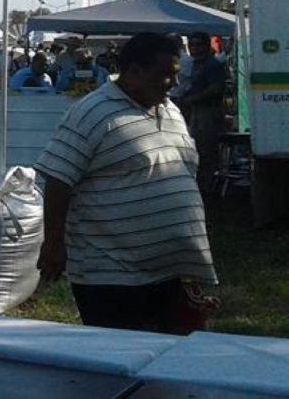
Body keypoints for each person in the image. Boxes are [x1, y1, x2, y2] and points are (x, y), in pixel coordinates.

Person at [35, 33, 218, 334]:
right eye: (164, 75)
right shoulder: (92, 113)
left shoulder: (170, 109)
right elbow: (58, 178)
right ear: (133, 70)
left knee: (168, 363)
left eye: (175, 74)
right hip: (112, 276)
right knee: (123, 362)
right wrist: (53, 243)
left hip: (171, 271)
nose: (172, 83)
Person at [180, 33, 226, 192]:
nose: (194, 49)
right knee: (196, 149)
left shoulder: (212, 64)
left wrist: (192, 99)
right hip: (196, 111)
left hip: (209, 112)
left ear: (207, 46)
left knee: (207, 151)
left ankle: (209, 187)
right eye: (191, 45)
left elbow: (215, 89)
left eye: (198, 45)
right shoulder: (195, 65)